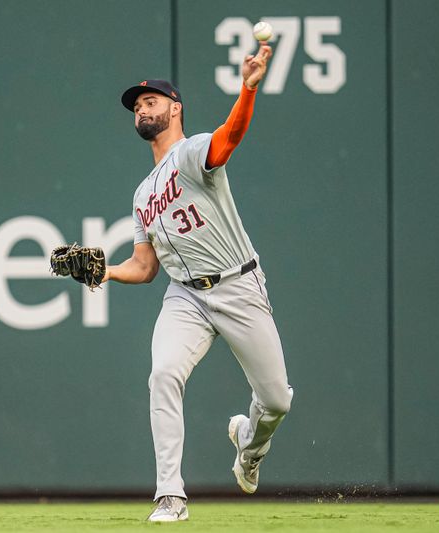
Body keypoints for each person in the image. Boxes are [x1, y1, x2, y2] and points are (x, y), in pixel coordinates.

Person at [102, 43, 293, 522]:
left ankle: (249, 446)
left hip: (238, 284)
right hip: (184, 294)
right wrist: (104, 271)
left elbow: (230, 137)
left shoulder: (190, 152)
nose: (143, 108)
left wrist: (248, 87)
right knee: (163, 374)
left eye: (151, 101)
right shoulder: (142, 194)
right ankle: (170, 494)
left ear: (175, 108)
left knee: (275, 401)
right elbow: (144, 268)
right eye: (137, 105)